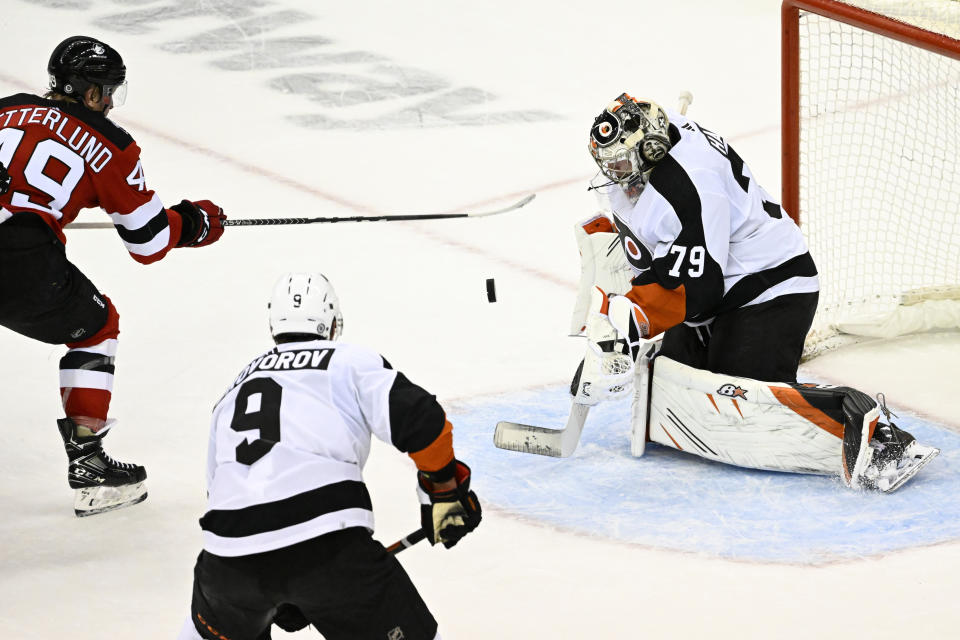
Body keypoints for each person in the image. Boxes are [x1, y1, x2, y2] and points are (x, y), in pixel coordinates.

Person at [571, 93, 937, 492]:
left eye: (621, 163)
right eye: (607, 163)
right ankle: (711, 344)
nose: (614, 173)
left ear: (652, 149)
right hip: (719, 286)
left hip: (770, 288)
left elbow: (697, 289)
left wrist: (632, 320)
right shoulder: (652, 140)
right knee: (672, 391)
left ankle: (872, 430)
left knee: (739, 406)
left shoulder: (691, 188)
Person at [178, 272, 481, 640]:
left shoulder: (232, 388)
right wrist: (445, 493)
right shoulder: (347, 360)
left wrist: (275, 586)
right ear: (334, 323)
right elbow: (423, 421)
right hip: (327, 550)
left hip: (226, 565)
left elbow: (218, 492)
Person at [0, 35, 227, 516]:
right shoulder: (110, 143)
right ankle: (88, 463)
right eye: (106, 92)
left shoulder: (7, 108)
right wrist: (195, 222)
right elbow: (147, 242)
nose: (109, 103)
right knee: (97, 328)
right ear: (87, 93)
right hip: (17, 259)